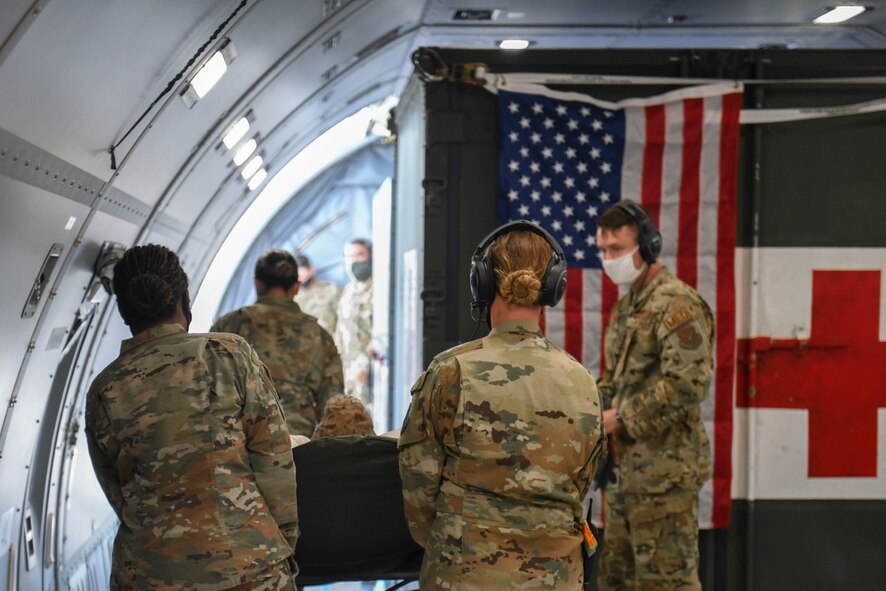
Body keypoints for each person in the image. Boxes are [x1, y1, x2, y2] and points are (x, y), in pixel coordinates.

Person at [398, 221, 606, 589]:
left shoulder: (452, 371)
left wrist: (457, 541)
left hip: (464, 574)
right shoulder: (582, 382)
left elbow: (419, 490)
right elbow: (580, 486)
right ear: (553, 288)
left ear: (482, 283)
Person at [84, 244, 298, 591]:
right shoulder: (229, 355)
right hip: (247, 569)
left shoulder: (105, 390)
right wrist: (281, 546)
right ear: (185, 297)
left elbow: (119, 493)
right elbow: (275, 463)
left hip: (148, 575)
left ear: (123, 310)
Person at [594, 200, 715, 591]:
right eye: (603, 250)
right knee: (618, 581)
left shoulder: (677, 304)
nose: (609, 259)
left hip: (665, 478)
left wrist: (621, 418)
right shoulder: (628, 306)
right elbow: (615, 380)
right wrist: (583, 409)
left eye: (617, 250)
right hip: (624, 478)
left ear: (647, 246)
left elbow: (688, 384)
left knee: (666, 584)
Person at [212, 249, 344, 438]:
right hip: (297, 444)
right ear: (296, 287)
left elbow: (211, 387)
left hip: (241, 443)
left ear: (257, 283)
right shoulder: (319, 336)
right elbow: (333, 405)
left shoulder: (230, 325)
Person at [335, 238, 374, 404]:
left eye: (360, 255)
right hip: (349, 373)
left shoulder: (378, 288)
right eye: (350, 256)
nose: (354, 261)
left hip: (370, 374)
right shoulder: (348, 291)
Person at [294, 253, 342, 335]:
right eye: (297, 276)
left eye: (303, 274)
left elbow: (343, 320)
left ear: (312, 270)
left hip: (329, 344)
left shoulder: (331, 290)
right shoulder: (291, 296)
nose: (301, 279)